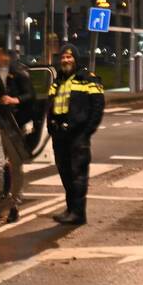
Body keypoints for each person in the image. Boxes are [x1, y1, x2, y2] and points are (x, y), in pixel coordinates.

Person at [48, 44, 105, 226]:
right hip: (60, 135)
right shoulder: (57, 81)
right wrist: (51, 128)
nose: (65, 60)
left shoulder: (89, 79)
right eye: (63, 57)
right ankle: (71, 209)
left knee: (78, 174)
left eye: (69, 57)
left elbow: (97, 107)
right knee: (65, 173)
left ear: (76, 59)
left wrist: (86, 132)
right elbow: (50, 107)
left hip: (77, 135)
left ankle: (78, 213)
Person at [0, 47, 30, 223]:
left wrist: (14, 100)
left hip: (14, 124)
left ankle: (14, 205)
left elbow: (31, 95)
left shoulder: (18, 73)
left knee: (16, 166)